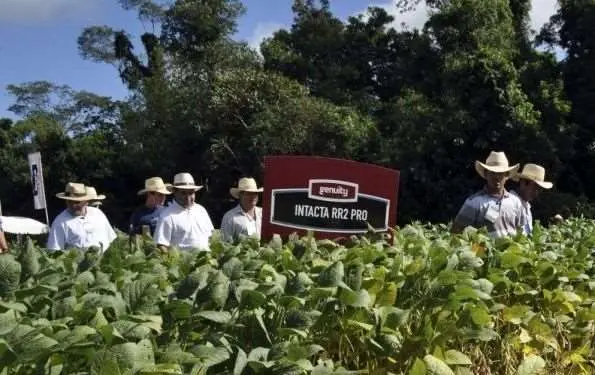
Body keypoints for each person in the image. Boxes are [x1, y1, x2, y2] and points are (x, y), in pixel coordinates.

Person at [451, 151, 527, 238]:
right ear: (486, 174)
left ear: (506, 176)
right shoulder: (474, 202)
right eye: (492, 173)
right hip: (484, 251)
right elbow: (456, 232)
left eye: (500, 173)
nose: (497, 177)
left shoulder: (515, 201)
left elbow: (521, 231)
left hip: (513, 251)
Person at [47, 182, 117, 252]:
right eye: (69, 202)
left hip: (105, 261)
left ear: (86, 201)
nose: (73, 205)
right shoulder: (60, 222)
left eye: (77, 202)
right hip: (78, 262)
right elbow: (54, 251)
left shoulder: (98, 214)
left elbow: (112, 239)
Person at [153, 172, 214, 252]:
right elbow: (161, 245)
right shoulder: (167, 216)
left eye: (191, 193)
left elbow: (210, 236)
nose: (188, 197)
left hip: (207, 261)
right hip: (183, 263)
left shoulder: (201, 210)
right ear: (175, 192)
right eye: (183, 193)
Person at [511, 163, 553, 235]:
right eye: (534, 188)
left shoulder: (527, 206)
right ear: (523, 183)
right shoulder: (510, 203)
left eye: (539, 189)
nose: (536, 193)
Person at [221, 177, 264, 243]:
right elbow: (225, 244)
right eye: (249, 193)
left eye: (255, 193)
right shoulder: (230, 217)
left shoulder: (263, 212)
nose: (253, 196)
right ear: (240, 195)